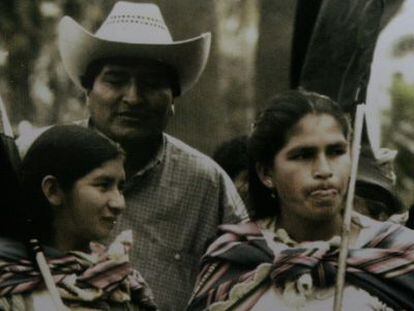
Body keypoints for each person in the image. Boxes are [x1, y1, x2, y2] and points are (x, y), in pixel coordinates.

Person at [55, 2, 248, 309]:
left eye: (151, 83)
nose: (132, 97)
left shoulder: (206, 185)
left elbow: (245, 289)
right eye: (116, 80)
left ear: (173, 99)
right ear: (87, 91)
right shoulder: (43, 160)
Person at [188, 90, 414, 310]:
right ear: (267, 173)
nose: (324, 170)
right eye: (303, 155)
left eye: (336, 151)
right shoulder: (236, 257)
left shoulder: (399, 251)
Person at [0, 125, 156, 310]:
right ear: (53, 190)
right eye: (103, 185)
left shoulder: (119, 281)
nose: (119, 203)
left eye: (120, 187)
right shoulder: (8, 283)